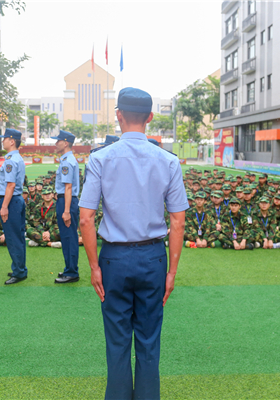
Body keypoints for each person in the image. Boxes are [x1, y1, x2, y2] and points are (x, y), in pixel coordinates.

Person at [79, 87, 188, 399]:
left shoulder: (100, 159)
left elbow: (86, 218)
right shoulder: (168, 161)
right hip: (154, 258)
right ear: (150, 118)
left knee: (117, 341)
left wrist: (93, 266)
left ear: (118, 116)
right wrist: (172, 271)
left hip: (113, 258)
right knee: (149, 340)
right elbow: (178, 221)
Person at [51, 130, 81, 283]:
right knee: (67, 236)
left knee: (69, 237)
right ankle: (69, 268)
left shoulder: (67, 161)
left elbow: (68, 187)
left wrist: (67, 210)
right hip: (65, 200)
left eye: (58, 141)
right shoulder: (66, 160)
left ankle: (72, 272)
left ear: (66, 143)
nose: (56, 144)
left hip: (67, 202)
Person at [0, 129, 28, 285]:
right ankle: (20, 268)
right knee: (19, 237)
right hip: (17, 200)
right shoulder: (17, 158)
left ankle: (19, 272)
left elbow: (10, 185)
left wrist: (4, 206)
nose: (2, 141)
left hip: (11, 201)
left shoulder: (10, 160)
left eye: (4, 139)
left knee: (13, 238)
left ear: (12, 141)